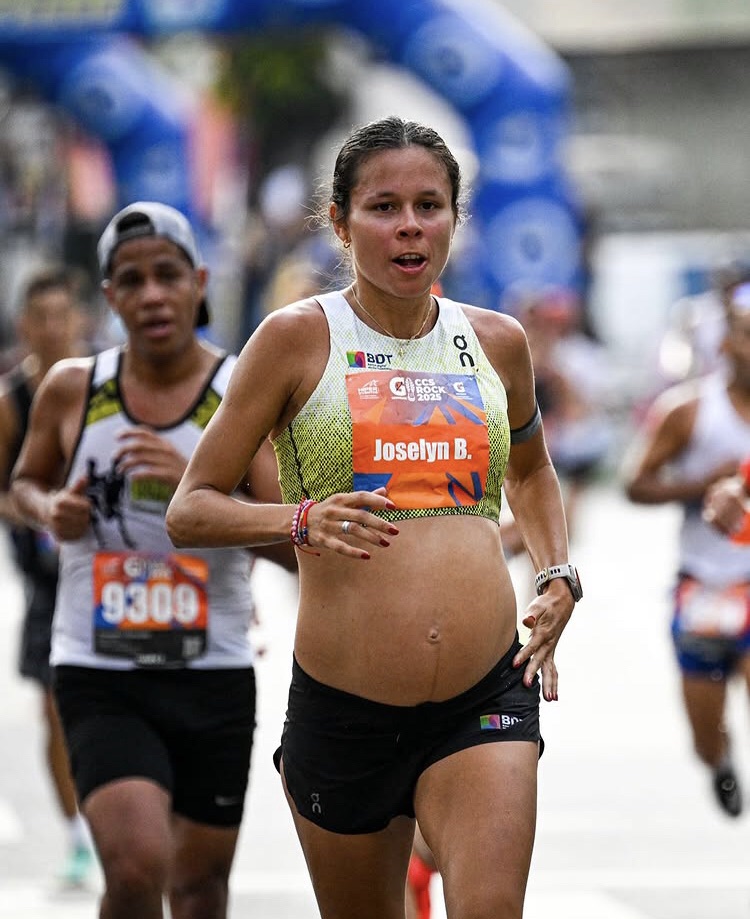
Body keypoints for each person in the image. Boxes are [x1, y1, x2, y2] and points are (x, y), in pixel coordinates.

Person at [166, 116, 580, 919]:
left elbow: (531, 469)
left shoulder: (498, 342)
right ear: (340, 221)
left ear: (455, 220)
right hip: (345, 706)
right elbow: (192, 508)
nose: (410, 226)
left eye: (430, 206)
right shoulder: (294, 338)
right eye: (384, 206)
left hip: (485, 694)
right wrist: (299, 520)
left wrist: (557, 572)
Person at [10, 201, 295, 919]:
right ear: (109, 296)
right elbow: (19, 483)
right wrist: (50, 512)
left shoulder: (241, 393)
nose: (152, 295)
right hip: (100, 668)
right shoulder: (73, 388)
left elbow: (292, 543)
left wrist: (196, 488)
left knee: (199, 891)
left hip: (213, 669)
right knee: (137, 869)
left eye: (168, 275)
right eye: (131, 281)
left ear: (198, 282)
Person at [623, 276, 750, 818]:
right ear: (726, 343)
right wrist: (703, 487)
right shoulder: (689, 409)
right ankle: (718, 761)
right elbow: (635, 483)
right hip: (703, 587)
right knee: (704, 732)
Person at [0, 265, 93, 886]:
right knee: (55, 709)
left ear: (80, 320)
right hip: (46, 578)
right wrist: (39, 514)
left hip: (111, 568)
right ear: (24, 327)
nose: (55, 329)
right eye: (43, 318)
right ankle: (78, 836)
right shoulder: (12, 403)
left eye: (65, 315)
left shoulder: (107, 385)